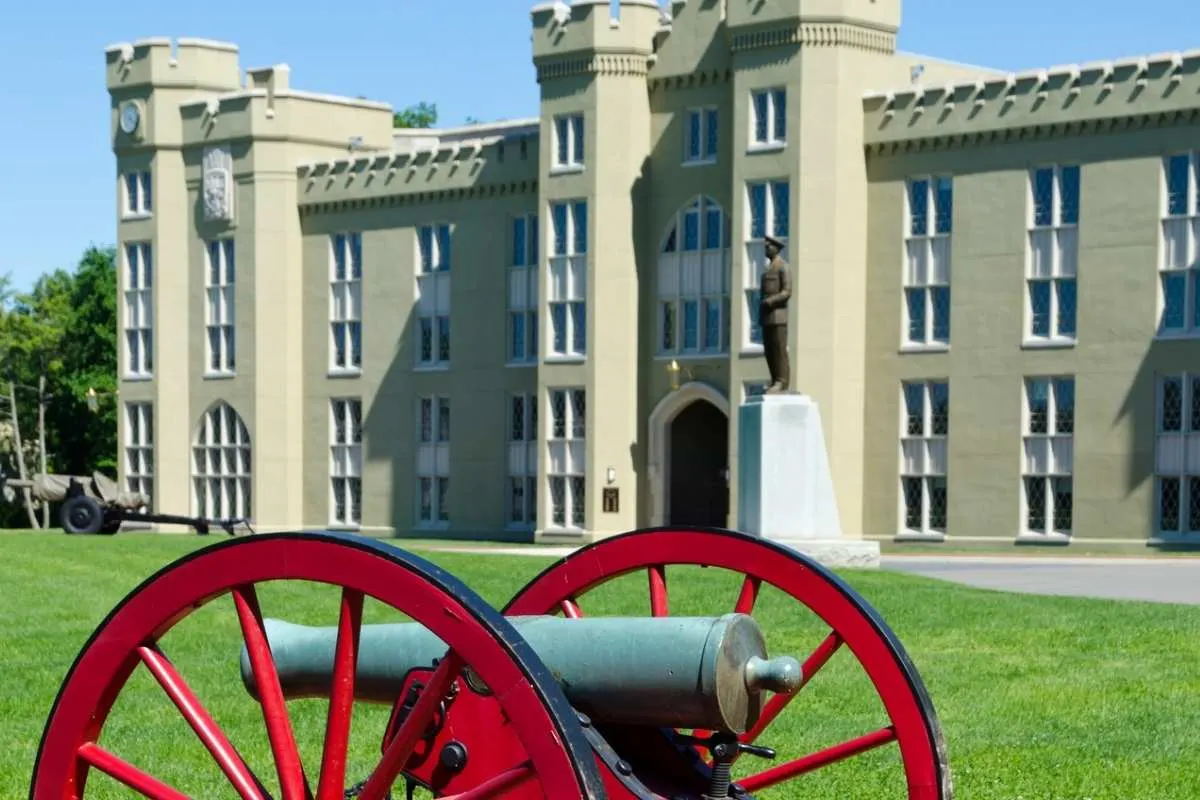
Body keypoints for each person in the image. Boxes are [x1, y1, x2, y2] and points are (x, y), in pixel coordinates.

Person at [758, 235, 791, 394]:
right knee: (769, 350)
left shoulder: (783, 267)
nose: (766, 248)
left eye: (768, 246)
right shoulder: (767, 268)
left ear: (776, 248)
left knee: (779, 350)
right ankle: (773, 380)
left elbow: (786, 292)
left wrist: (770, 301)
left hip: (778, 316)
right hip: (766, 317)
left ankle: (781, 381)